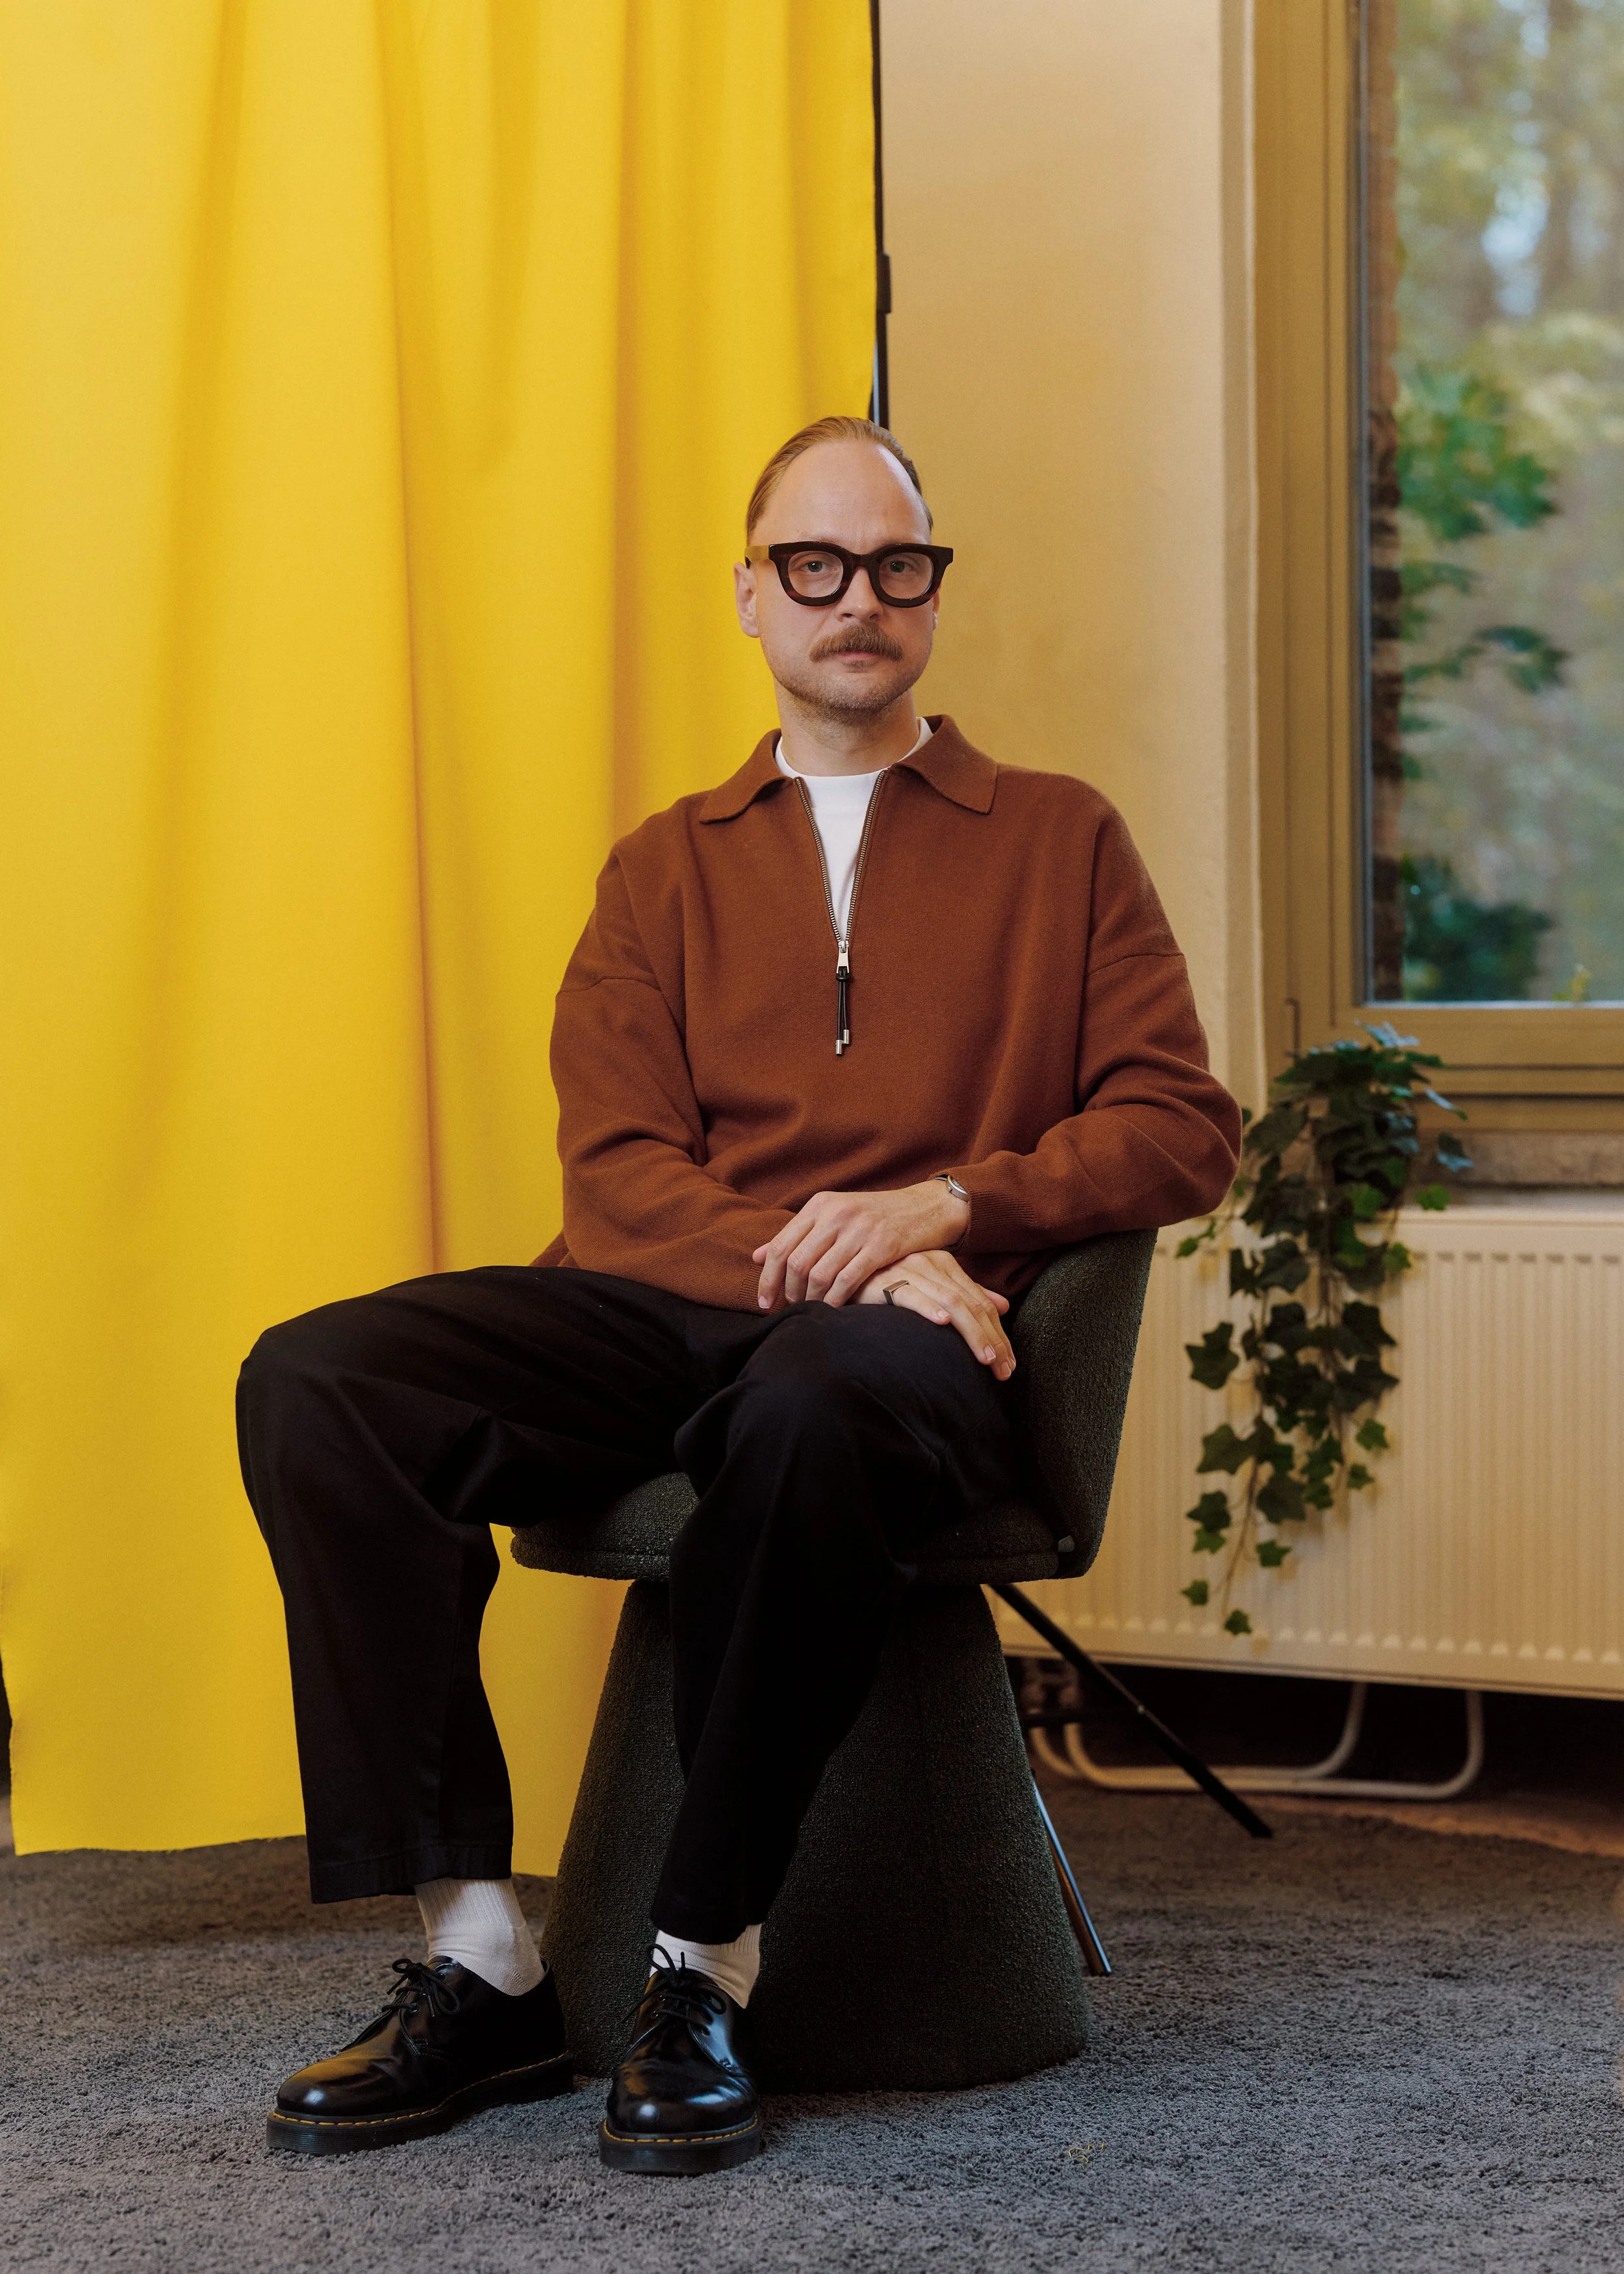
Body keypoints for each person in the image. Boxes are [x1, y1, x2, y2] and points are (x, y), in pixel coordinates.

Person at [237, 414, 1241, 2174]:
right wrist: (826, 1252)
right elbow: (619, 1172)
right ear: (751, 592)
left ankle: (700, 1966)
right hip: (681, 1300)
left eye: (897, 566)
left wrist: (945, 1208)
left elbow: (1181, 1123)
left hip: (908, 1353)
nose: (859, 599)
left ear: (931, 593)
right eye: (816, 564)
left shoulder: (1060, 840)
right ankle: (480, 1957)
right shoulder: (663, 865)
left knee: (807, 1400)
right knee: (322, 1379)